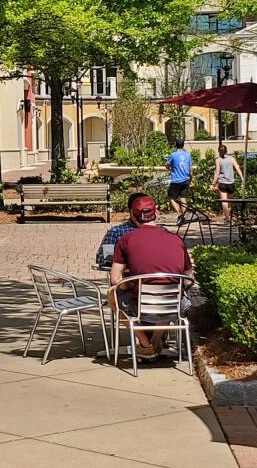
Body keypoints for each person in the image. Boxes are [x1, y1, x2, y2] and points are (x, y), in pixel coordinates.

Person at [109, 194, 193, 359]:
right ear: (157, 213)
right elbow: (189, 276)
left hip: (142, 307)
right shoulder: (176, 239)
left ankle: (145, 345)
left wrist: (133, 284)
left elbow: (115, 281)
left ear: (133, 216)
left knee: (112, 293)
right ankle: (155, 342)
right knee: (174, 296)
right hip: (175, 307)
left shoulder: (126, 240)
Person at [95, 192, 156, 268]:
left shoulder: (163, 233)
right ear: (131, 211)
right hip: (126, 277)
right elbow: (102, 257)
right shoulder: (116, 232)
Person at [210, 145, 245, 225]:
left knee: (224, 201)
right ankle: (228, 217)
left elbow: (217, 172)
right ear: (226, 151)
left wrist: (213, 183)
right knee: (229, 202)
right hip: (231, 183)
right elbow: (237, 168)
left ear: (219, 151)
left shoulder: (218, 160)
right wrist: (242, 178)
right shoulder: (232, 159)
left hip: (222, 183)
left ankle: (227, 219)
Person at [166, 139, 193, 223]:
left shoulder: (173, 155)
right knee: (183, 198)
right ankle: (183, 217)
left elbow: (167, 165)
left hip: (176, 180)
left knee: (171, 197)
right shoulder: (187, 155)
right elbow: (190, 169)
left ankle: (179, 214)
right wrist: (191, 179)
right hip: (186, 179)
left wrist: (170, 168)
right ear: (183, 145)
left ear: (175, 145)